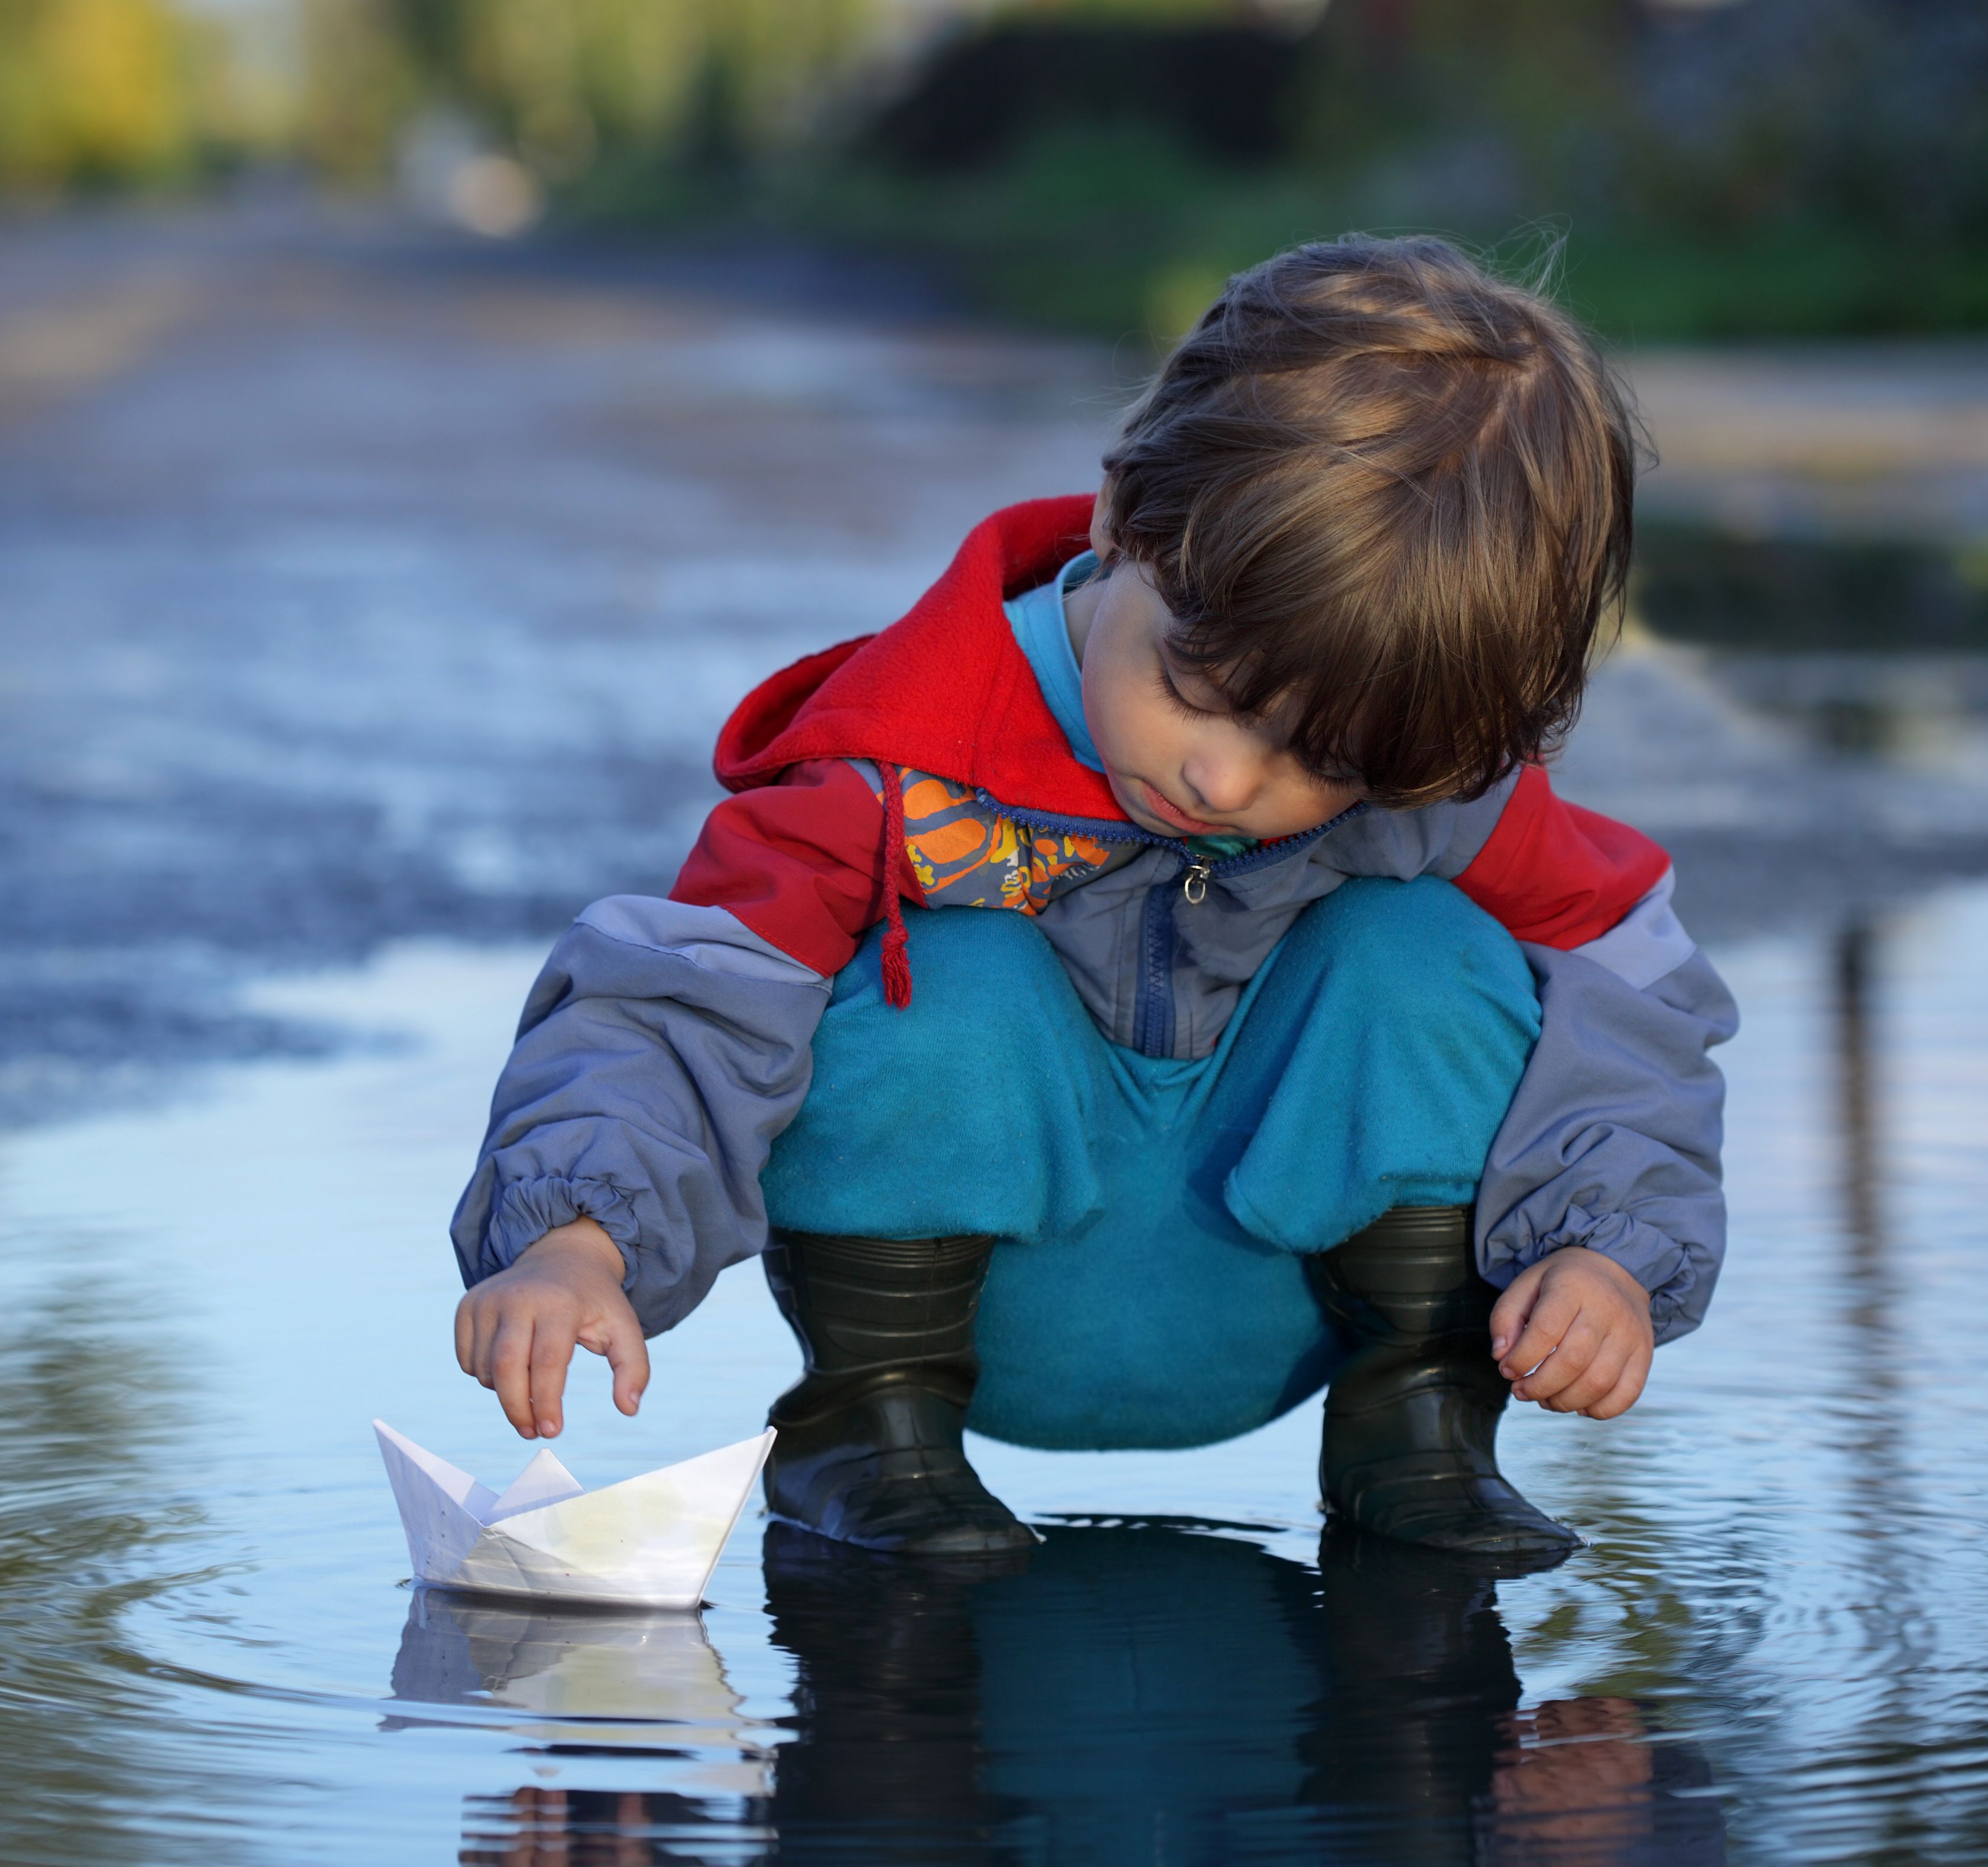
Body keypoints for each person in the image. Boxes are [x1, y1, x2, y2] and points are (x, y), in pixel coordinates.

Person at [449, 236, 1736, 1559]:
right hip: (987, 1310)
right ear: (1125, 519)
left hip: (1272, 1309)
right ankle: (866, 1434)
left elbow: (1634, 980)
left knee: (1425, 952)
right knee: (948, 978)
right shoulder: (897, 759)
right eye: (1195, 688)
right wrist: (576, 1234)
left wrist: (1608, 1246)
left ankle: (1417, 1430)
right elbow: (687, 1000)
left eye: (1326, 761)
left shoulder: (1426, 776)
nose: (1224, 777)